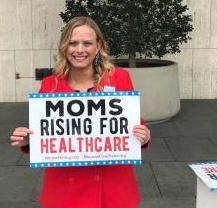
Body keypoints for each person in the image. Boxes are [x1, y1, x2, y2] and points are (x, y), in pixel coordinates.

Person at [10, 16, 151, 208]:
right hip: (66, 193)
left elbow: (135, 125)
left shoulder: (119, 79)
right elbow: (46, 133)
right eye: (73, 43)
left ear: (98, 45)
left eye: (87, 43)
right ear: (64, 46)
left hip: (112, 191)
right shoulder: (50, 84)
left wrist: (143, 135)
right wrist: (28, 140)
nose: (79, 50)